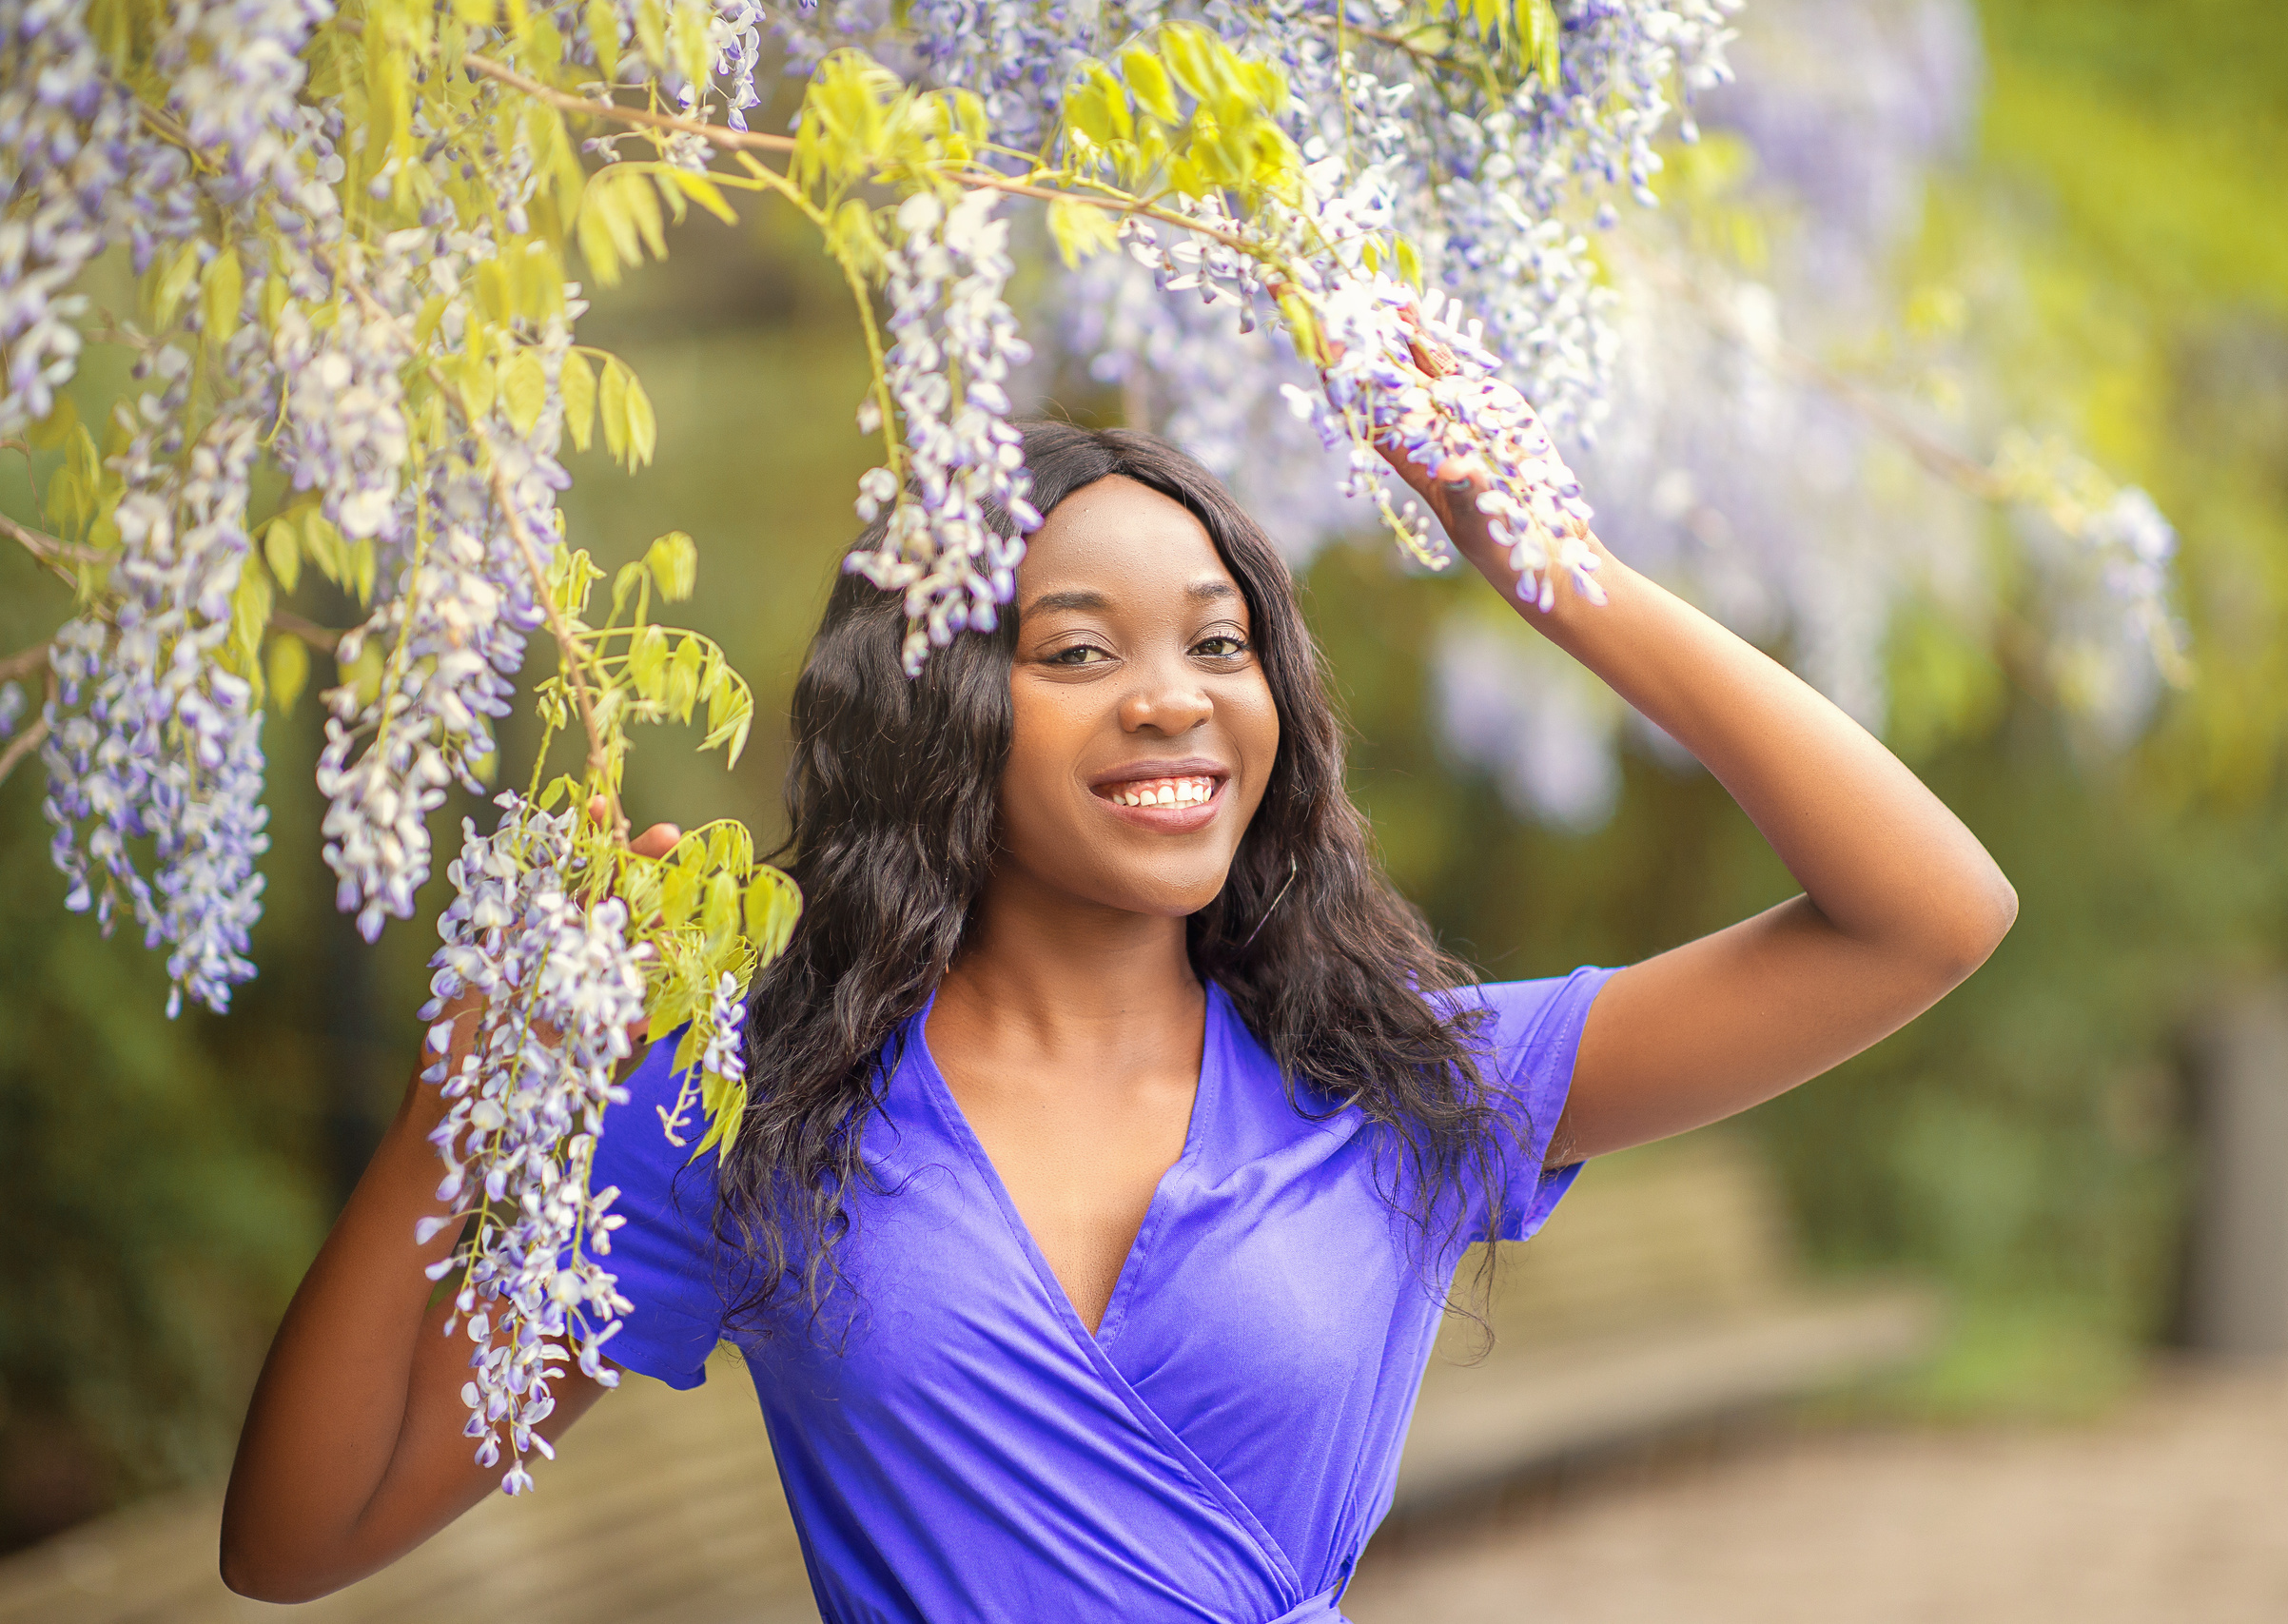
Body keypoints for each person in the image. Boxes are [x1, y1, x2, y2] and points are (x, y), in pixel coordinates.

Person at [221, 421, 2015, 1619]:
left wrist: (1552, 570)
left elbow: (1928, 915)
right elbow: (301, 1537)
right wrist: (456, 1107)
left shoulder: (1397, 1089)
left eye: (1219, 646)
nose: (1170, 702)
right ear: (939, 713)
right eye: (1074, 652)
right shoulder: (752, 1118)